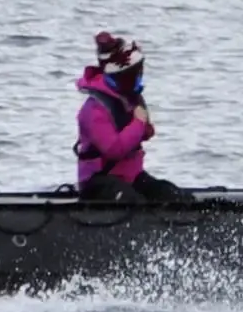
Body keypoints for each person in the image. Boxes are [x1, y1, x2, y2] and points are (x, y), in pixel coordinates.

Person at [74, 32, 176, 200]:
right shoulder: (93, 110)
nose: (137, 78)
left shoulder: (131, 99)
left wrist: (141, 122)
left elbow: (147, 132)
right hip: (98, 182)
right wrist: (138, 122)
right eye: (132, 75)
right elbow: (114, 150)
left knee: (168, 193)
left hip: (130, 176)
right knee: (132, 201)